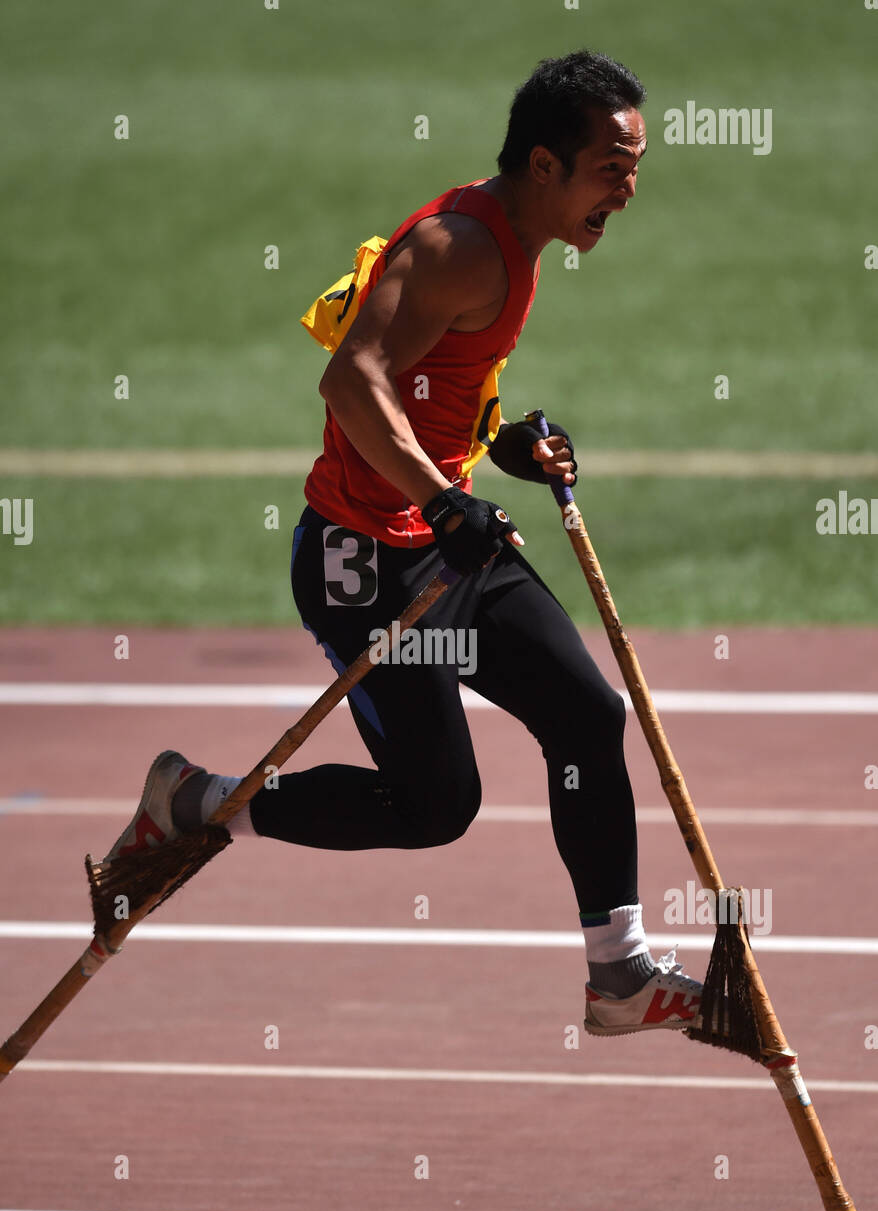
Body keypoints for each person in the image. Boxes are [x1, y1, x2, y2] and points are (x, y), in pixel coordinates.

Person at [105, 51, 702, 1037]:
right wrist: (440, 495)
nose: (628, 190)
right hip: (361, 560)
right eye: (614, 166)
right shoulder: (459, 245)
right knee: (432, 808)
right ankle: (196, 802)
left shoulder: (519, 238)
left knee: (587, 715)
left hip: (442, 538)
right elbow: (351, 380)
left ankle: (620, 974)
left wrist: (495, 445)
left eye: (635, 166)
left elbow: (422, 383)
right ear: (546, 165)